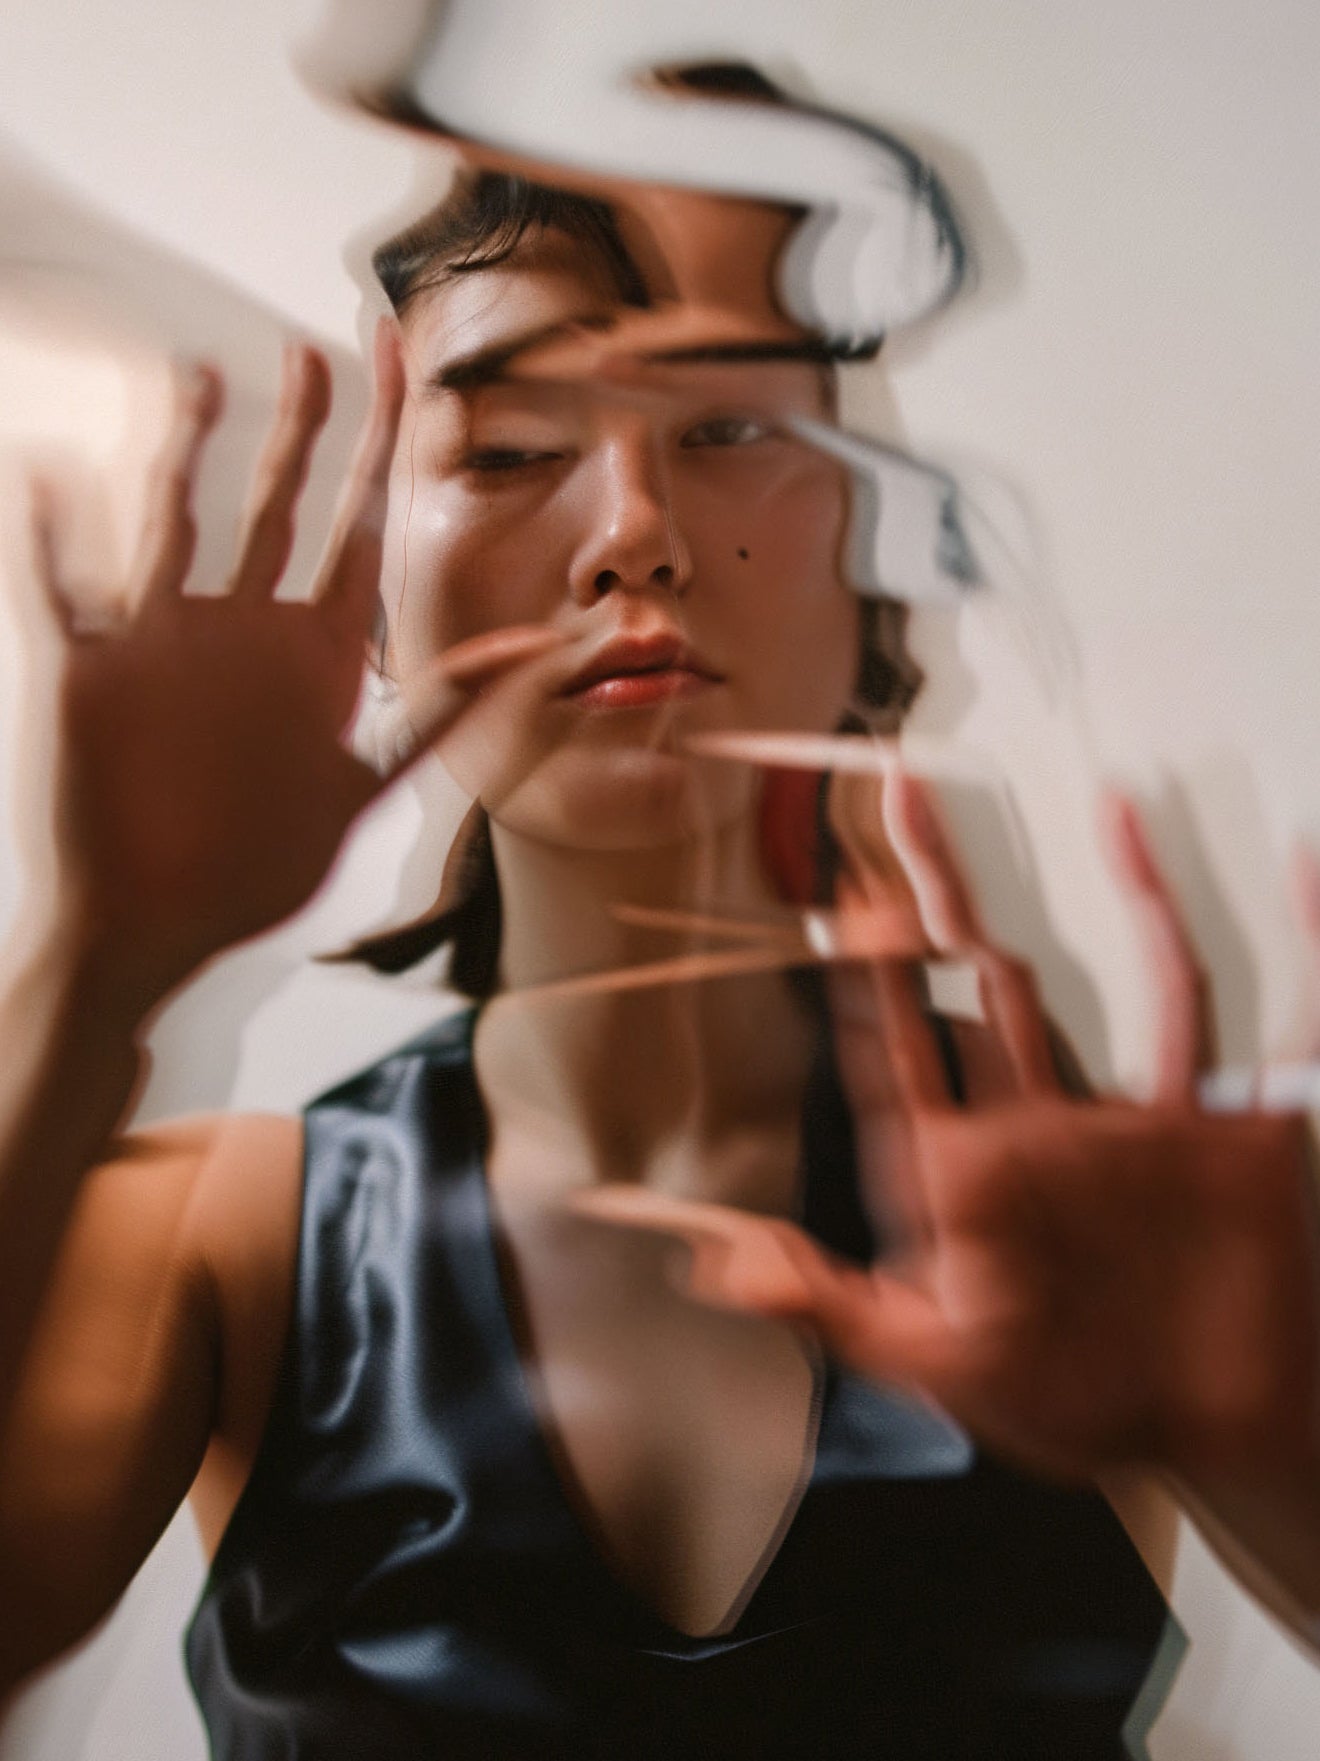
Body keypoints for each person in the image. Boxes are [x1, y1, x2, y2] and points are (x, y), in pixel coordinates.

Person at [0, 156, 1316, 1761]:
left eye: (729, 430)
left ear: (862, 560)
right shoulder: (220, 1250)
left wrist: (1272, 1451)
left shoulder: (1128, 1242)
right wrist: (96, 967)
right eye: (510, 445)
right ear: (374, 597)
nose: (634, 533)